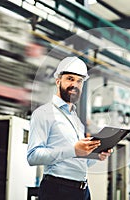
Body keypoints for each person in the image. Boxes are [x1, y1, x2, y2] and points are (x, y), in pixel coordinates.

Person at [27, 56, 112, 200]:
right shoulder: (43, 113)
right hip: (57, 190)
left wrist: (96, 155)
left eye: (79, 81)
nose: (75, 84)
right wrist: (73, 150)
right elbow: (32, 156)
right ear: (58, 80)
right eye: (70, 79)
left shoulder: (76, 120)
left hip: (82, 191)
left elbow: (77, 159)